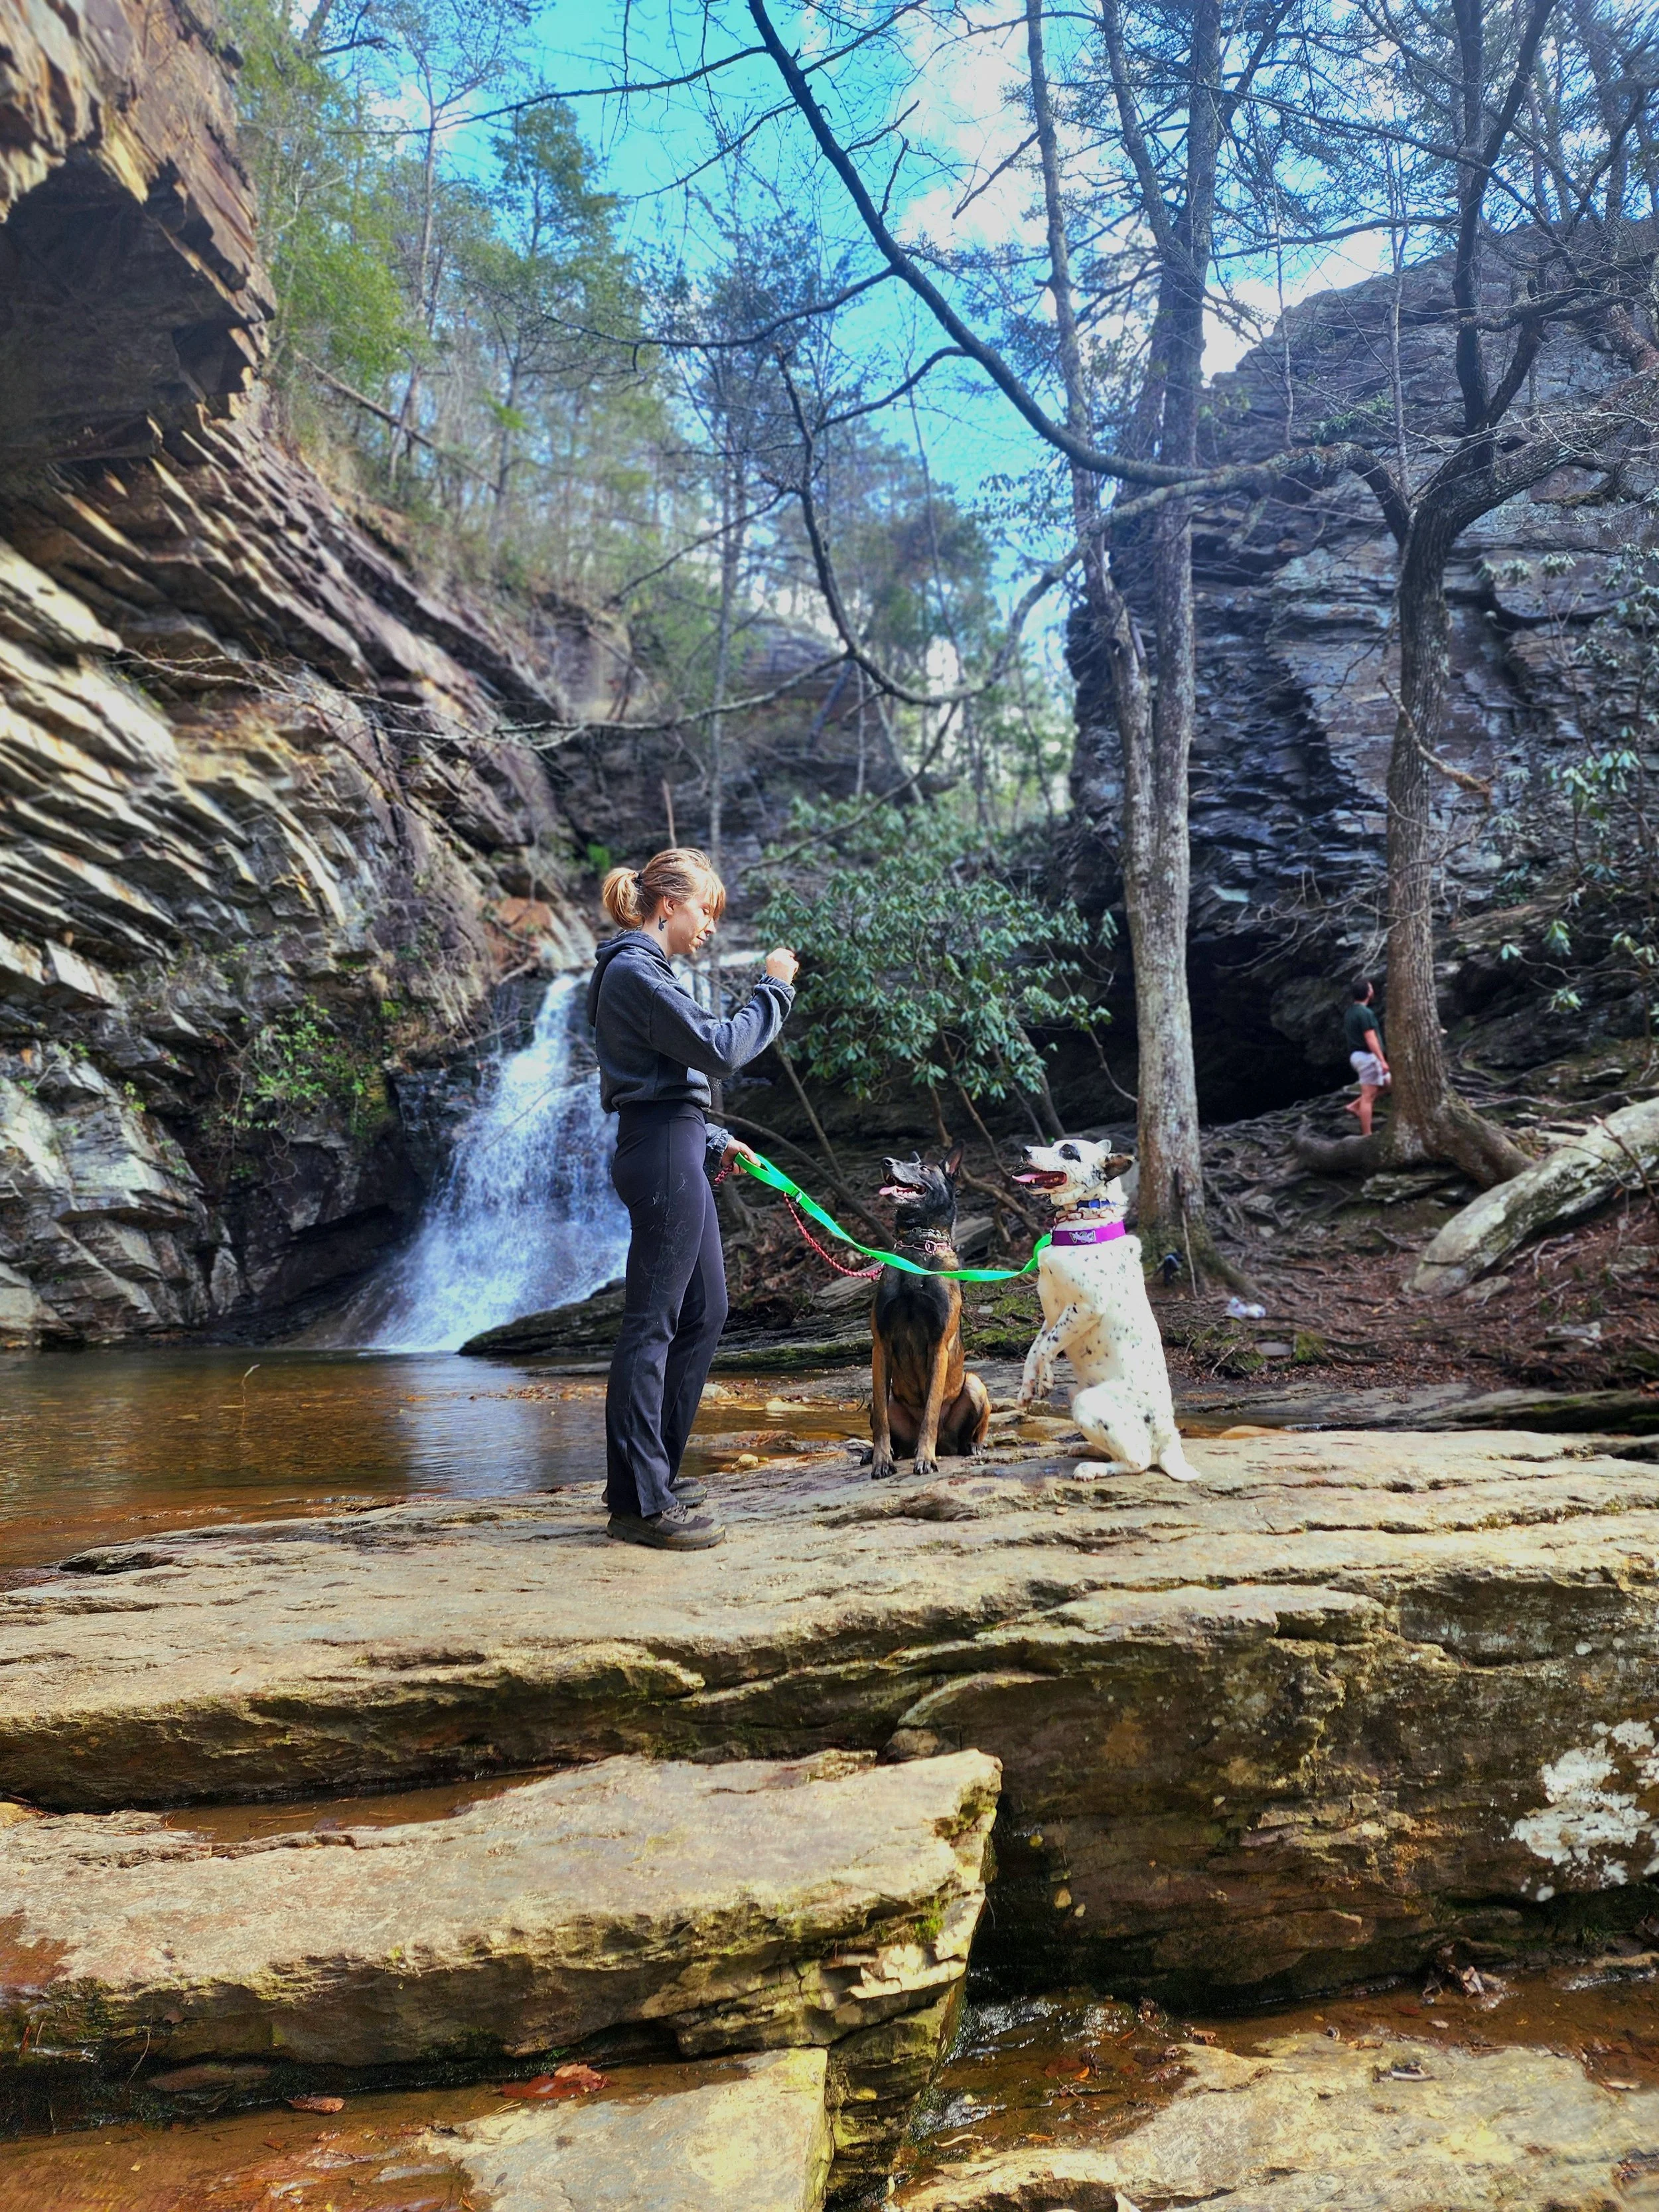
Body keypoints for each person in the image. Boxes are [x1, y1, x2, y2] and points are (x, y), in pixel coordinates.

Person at [587, 848, 798, 1552]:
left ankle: (654, 1476)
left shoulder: (647, 972)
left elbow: (663, 1081)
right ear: (668, 904)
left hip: (677, 1144)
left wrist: (710, 1140)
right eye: (705, 909)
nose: (709, 923)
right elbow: (719, 1049)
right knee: (651, 1325)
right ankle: (639, 1505)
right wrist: (773, 990)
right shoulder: (635, 971)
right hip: (660, 1153)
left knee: (705, 1312)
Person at [1343, 978, 1391, 1137]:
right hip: (1366, 1057)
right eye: (1371, 988)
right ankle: (1367, 1135)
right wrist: (1382, 1060)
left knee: (1390, 1083)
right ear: (1369, 993)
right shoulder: (1365, 1013)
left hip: (1357, 1056)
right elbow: (1371, 1038)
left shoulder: (1351, 1012)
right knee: (1368, 1097)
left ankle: (1354, 1106)